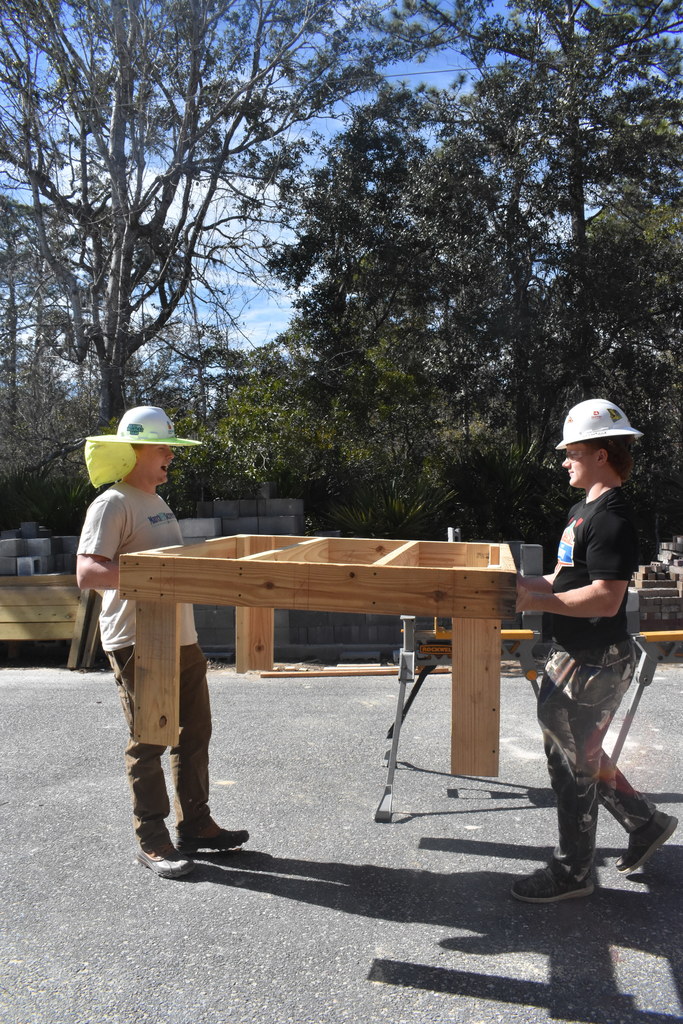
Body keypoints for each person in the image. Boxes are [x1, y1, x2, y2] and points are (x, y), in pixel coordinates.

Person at [513, 398, 677, 903]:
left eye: (573, 451)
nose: (564, 459)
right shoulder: (580, 511)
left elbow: (606, 598)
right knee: (579, 753)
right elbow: (565, 579)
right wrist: (517, 585)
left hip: (595, 660)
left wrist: (538, 598)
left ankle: (573, 872)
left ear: (601, 454)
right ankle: (645, 824)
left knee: (571, 765)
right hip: (575, 653)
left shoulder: (611, 520)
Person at [77, 406, 249, 879]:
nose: (170, 454)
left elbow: (165, 572)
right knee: (151, 737)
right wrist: (155, 579)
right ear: (133, 451)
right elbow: (88, 571)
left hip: (180, 637)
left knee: (194, 733)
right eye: (162, 447)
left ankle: (195, 825)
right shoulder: (113, 503)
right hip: (138, 639)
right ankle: (152, 839)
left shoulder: (154, 500)